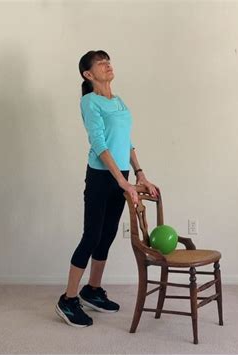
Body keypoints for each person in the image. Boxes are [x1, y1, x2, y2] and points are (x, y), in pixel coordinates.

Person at [56, 49, 159, 328]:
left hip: (121, 175)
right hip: (102, 176)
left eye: (108, 61)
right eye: (101, 63)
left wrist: (140, 175)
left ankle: (93, 289)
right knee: (91, 236)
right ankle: (68, 299)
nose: (107, 65)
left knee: (108, 234)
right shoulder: (90, 102)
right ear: (88, 75)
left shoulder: (119, 101)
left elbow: (126, 141)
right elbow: (100, 144)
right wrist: (122, 181)